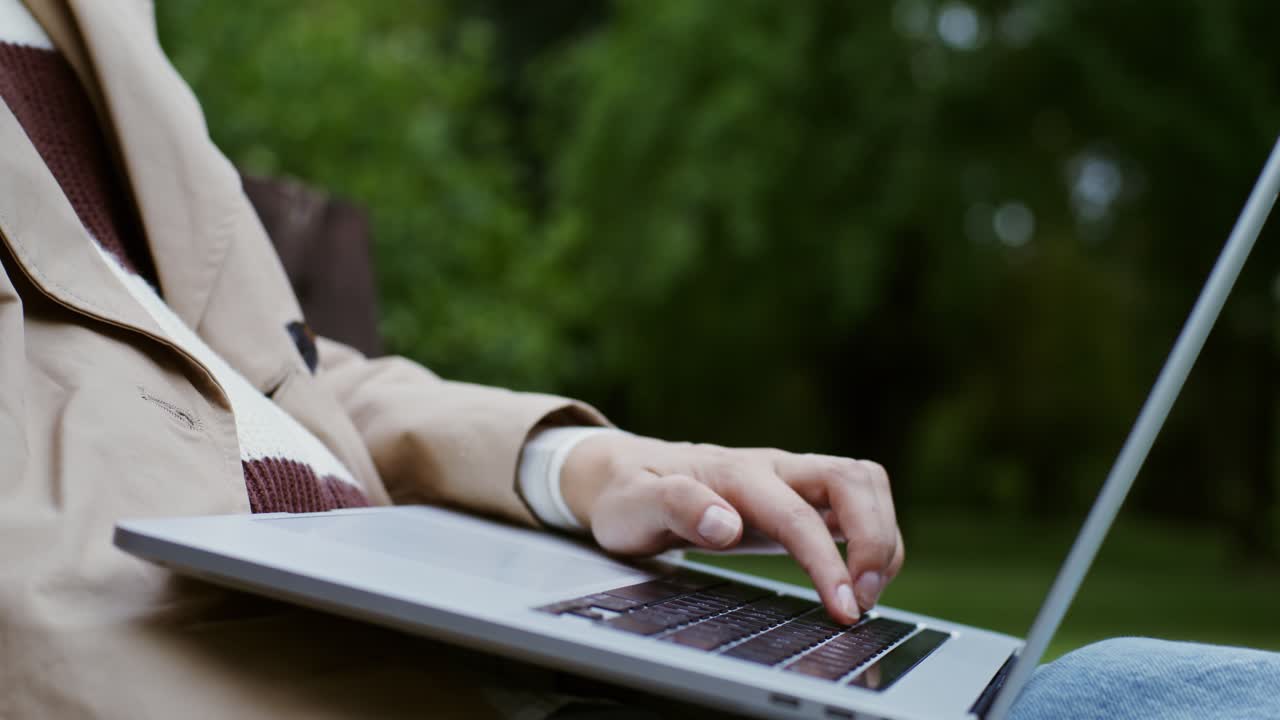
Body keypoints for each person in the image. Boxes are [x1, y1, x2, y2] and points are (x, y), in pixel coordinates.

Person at [0, 2, 1275, 719]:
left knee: (1117, 692)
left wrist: (582, 462)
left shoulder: (89, 25)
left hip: (487, 646)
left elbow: (269, 367)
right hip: (192, 668)